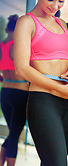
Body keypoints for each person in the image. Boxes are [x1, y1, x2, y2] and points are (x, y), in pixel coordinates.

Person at [13, 0, 68, 166]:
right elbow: (22, 68)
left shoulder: (62, 24)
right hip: (43, 102)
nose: (55, 6)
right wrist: (60, 87)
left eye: (61, 0)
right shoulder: (27, 22)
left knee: (57, 162)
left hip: (67, 103)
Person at [0, 15, 29, 166]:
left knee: (12, 132)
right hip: (20, 93)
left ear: (6, 29)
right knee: (14, 134)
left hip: (5, 93)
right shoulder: (18, 45)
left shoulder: (0, 46)